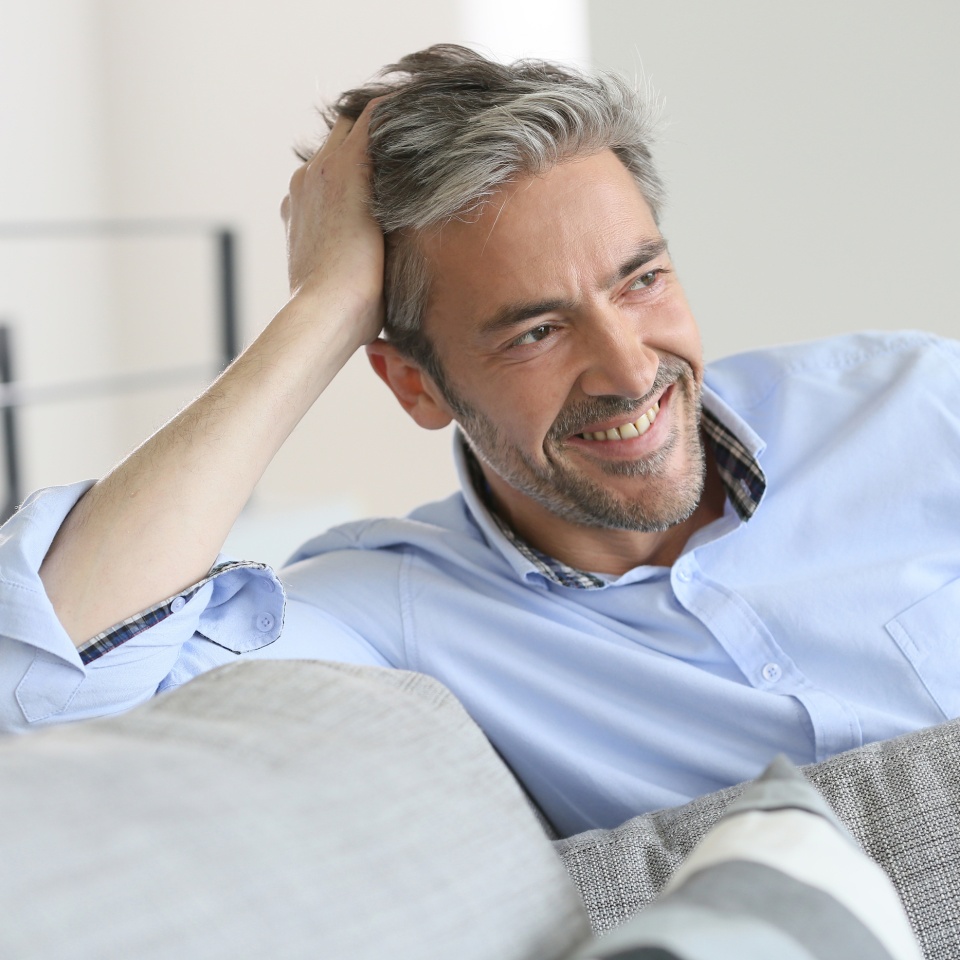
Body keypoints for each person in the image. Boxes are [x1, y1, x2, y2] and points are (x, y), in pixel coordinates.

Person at [0, 45, 958, 837]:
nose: (629, 371)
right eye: (535, 331)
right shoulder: (401, 605)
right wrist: (325, 307)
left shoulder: (910, 406)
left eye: (641, 281)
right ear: (415, 383)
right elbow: (48, 681)